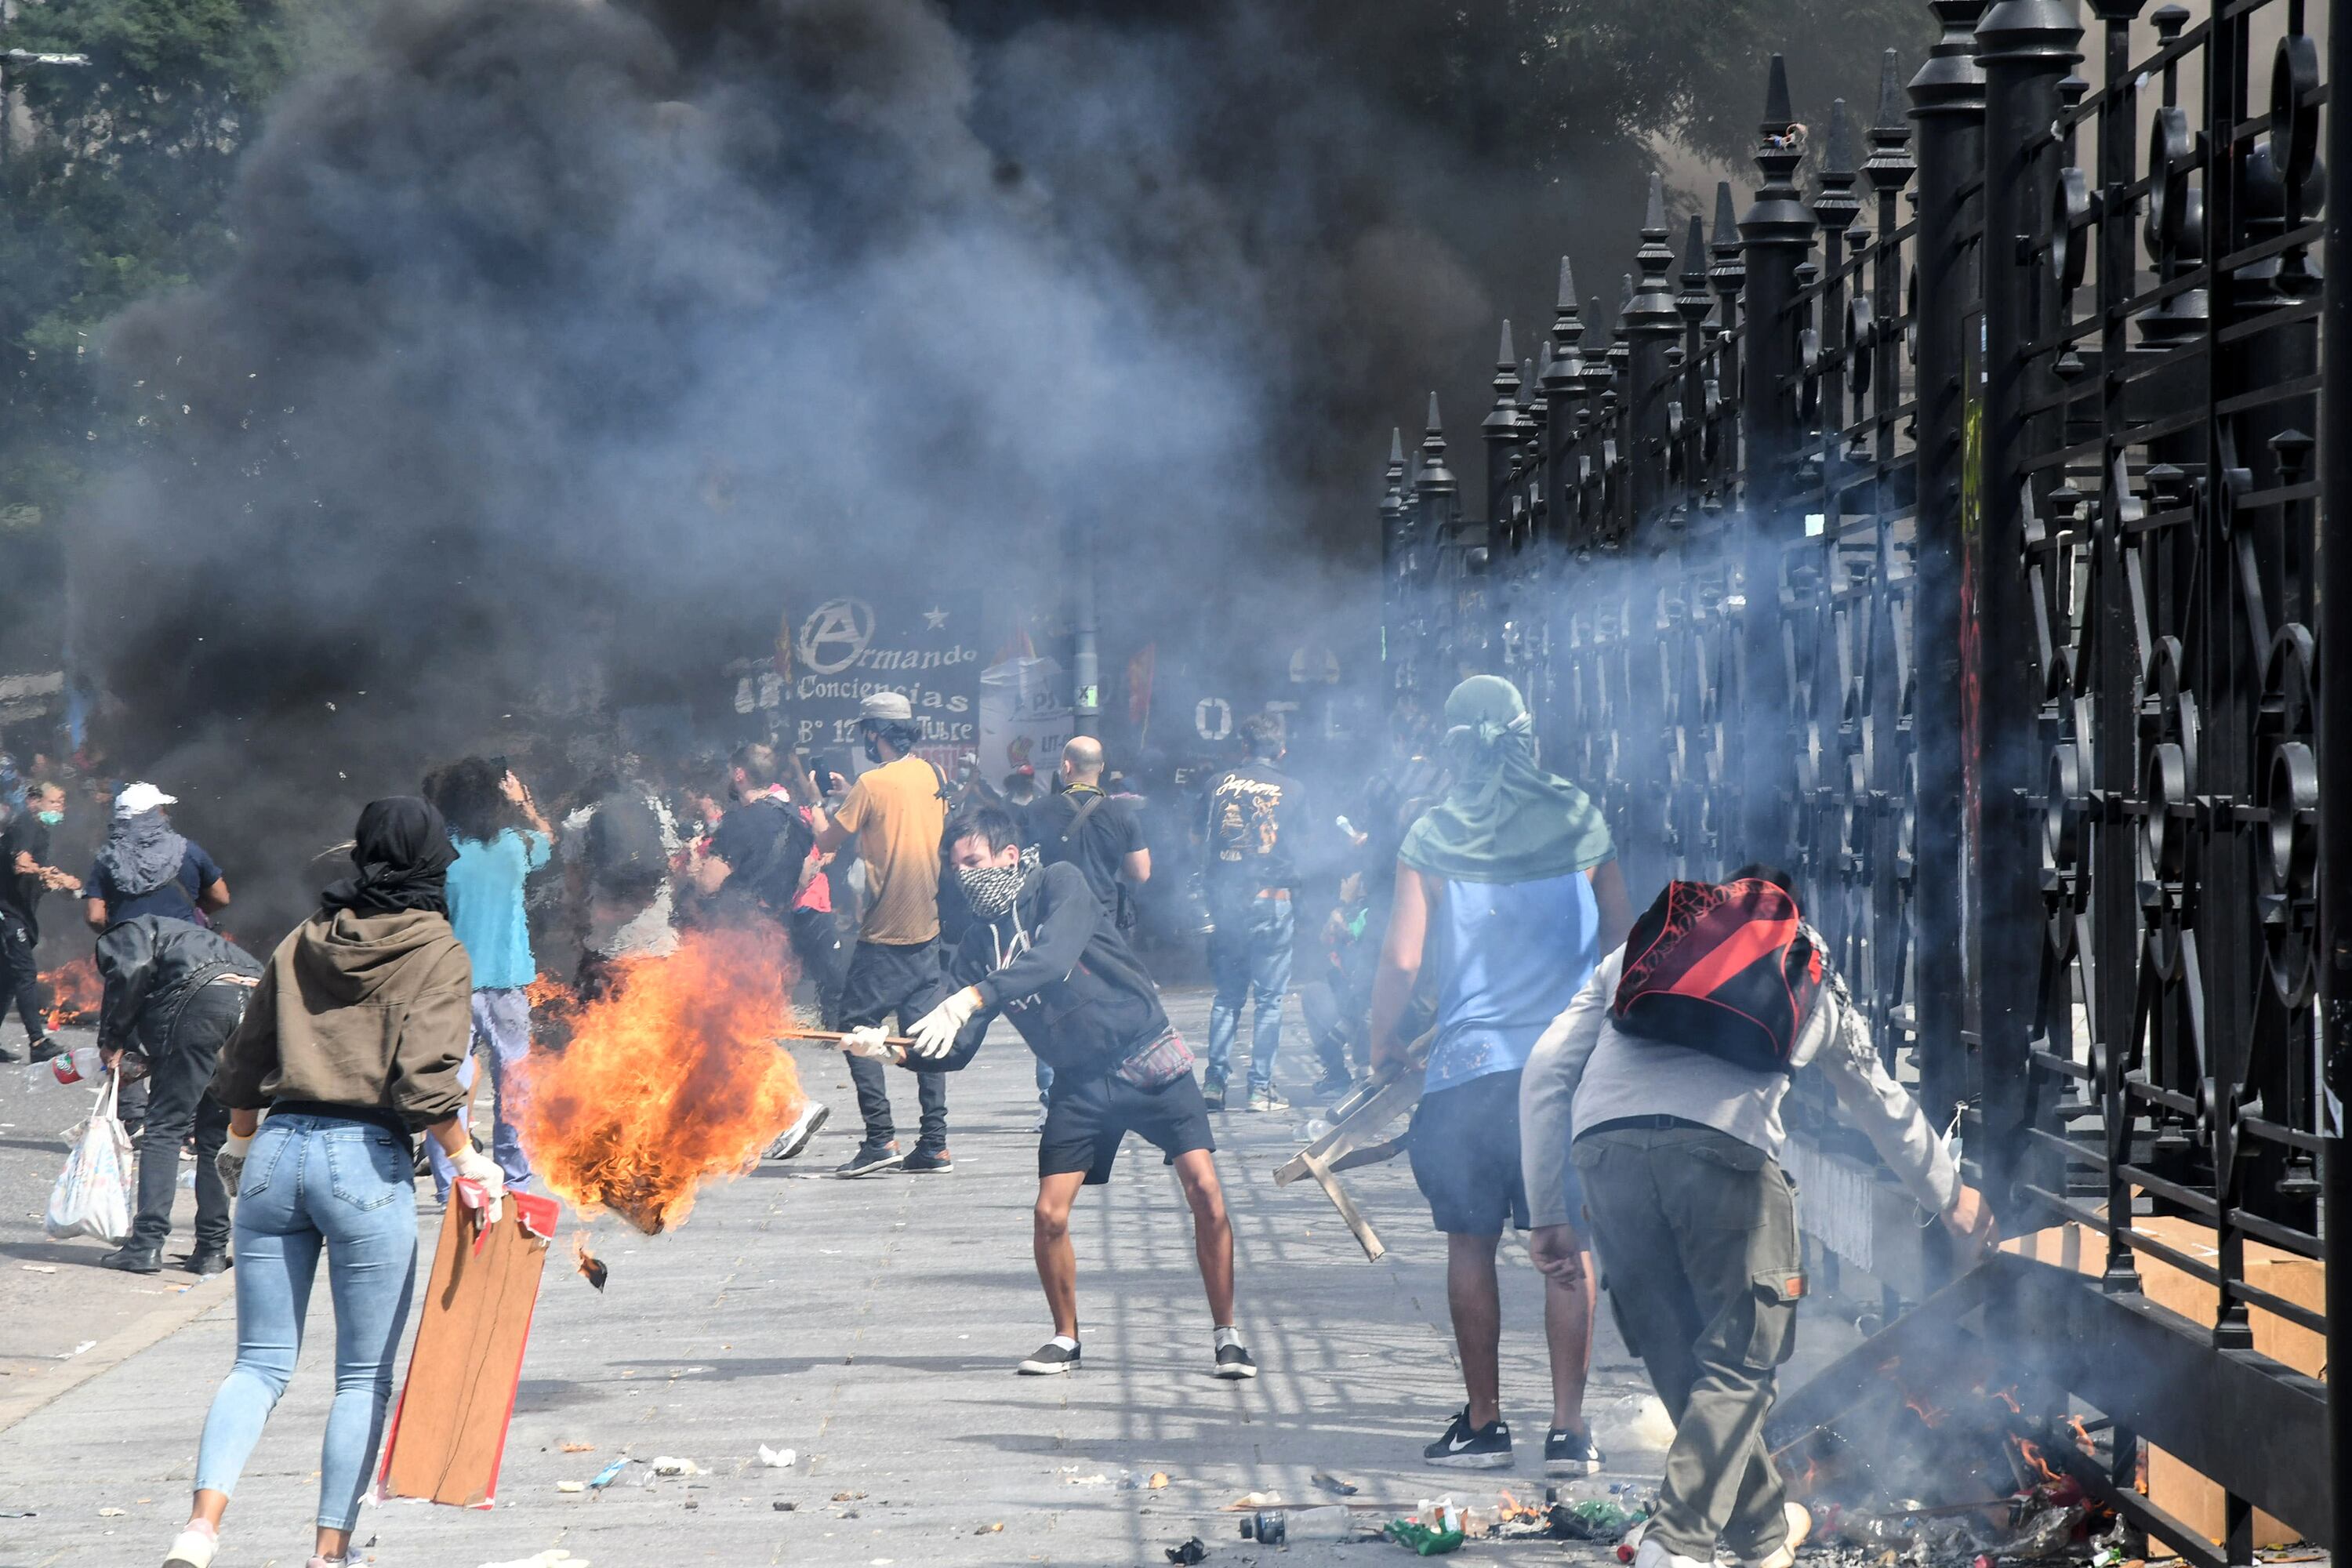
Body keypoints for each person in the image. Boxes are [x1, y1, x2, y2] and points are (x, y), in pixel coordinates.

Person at [1520, 863, 1999, 1568]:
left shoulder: (1645, 952)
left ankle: (1763, 1535)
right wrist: (1950, 1196)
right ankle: (1674, 1544)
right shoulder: (1803, 960)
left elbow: (1545, 1067)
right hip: (1727, 1160)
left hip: (1606, 1155)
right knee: (1740, 1366)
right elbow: (1874, 1097)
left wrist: (1545, 1210)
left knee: (1682, 1361)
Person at [161, 797, 502, 1568]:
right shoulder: (436, 947)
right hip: (366, 1161)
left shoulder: (305, 936)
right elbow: (425, 1082)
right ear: (430, 865)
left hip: (277, 1152)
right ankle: (328, 1552)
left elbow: (243, 1061)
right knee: (361, 1377)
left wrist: (242, 1142)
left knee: (257, 1364)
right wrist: (469, 1156)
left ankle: (200, 1529)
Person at [855, 804, 1254, 1379]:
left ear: (1010, 857)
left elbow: (1053, 958)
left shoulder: (1060, 884)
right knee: (1049, 1214)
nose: (964, 875)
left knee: (1206, 1192)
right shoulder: (973, 945)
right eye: (956, 866)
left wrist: (969, 998)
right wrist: (890, 1049)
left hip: (1147, 1057)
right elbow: (958, 1050)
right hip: (1080, 1081)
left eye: (974, 861)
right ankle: (1065, 1338)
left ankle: (1228, 1335)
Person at [1366, 673, 1634, 1475]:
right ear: (1526, 733)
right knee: (1567, 1246)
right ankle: (1569, 1429)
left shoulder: (1435, 831)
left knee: (1471, 1242)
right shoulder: (1581, 819)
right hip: (1567, 1072)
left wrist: (1381, 1041)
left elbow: (1401, 957)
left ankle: (1483, 1423)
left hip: (1468, 1074)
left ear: (1454, 743)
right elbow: (1626, 941)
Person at [807, 691, 952, 1177]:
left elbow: (828, 839)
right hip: (927, 927)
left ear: (874, 733)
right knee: (925, 1037)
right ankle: (934, 1144)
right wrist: (854, 794)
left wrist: (816, 802)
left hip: (885, 932)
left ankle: (880, 1138)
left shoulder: (870, 783)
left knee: (855, 1028)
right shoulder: (934, 774)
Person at [89, 916, 262, 1276]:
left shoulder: (128, 932)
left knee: (164, 1128)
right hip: (252, 1004)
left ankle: (146, 1244)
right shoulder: (199, 940)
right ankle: (212, 1249)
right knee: (214, 1135)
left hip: (202, 1003)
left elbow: (131, 972)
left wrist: (113, 1038)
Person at [419, 758, 551, 1201]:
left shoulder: (440, 850)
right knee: (515, 1081)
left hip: (449, 983)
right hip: (507, 982)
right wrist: (525, 803)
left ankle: (454, 1182)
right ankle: (515, 1177)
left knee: (449, 1084)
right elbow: (551, 841)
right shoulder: (517, 846)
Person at [694, 742, 829, 1162]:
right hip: (777, 935)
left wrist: (686, 868)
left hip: (739, 938)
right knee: (751, 1027)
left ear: (739, 774)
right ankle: (754, 1120)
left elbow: (708, 884)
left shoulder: (740, 823)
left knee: (738, 1031)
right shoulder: (795, 818)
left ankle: (790, 1111)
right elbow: (808, 871)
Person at [1198, 713, 1307, 1112]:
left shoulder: (1216, 784)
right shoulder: (1294, 789)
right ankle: (1260, 1090)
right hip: (1272, 898)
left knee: (1227, 996)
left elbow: (1198, 837)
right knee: (1269, 1000)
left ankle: (1214, 1084)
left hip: (1227, 901)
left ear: (1243, 748)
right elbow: (1302, 846)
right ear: (1281, 750)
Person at [0, 779, 81, 1062]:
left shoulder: (42, 832)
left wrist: (60, 886)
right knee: (24, 974)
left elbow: (36, 879)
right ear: (36, 802)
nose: (61, 807)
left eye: (62, 802)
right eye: (54, 801)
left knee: (8, 978)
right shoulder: (26, 825)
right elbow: (21, 865)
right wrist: (56, 876)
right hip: (7, 912)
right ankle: (37, 1042)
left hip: (19, 912)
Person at [84, 782, 230, 933]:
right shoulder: (188, 850)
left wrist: (120, 933)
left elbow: (96, 917)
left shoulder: (106, 860)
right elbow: (221, 897)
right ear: (158, 814)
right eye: (163, 809)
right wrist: (192, 913)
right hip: (187, 943)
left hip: (132, 949)